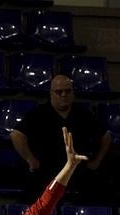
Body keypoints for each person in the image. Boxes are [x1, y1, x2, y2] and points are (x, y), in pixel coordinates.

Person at [10, 74, 111, 204]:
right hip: (46, 174)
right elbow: (16, 134)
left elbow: (106, 136)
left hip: (78, 175)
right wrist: (30, 159)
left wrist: (97, 161)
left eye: (68, 91)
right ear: (51, 94)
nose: (64, 95)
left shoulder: (84, 115)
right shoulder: (38, 114)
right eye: (59, 92)